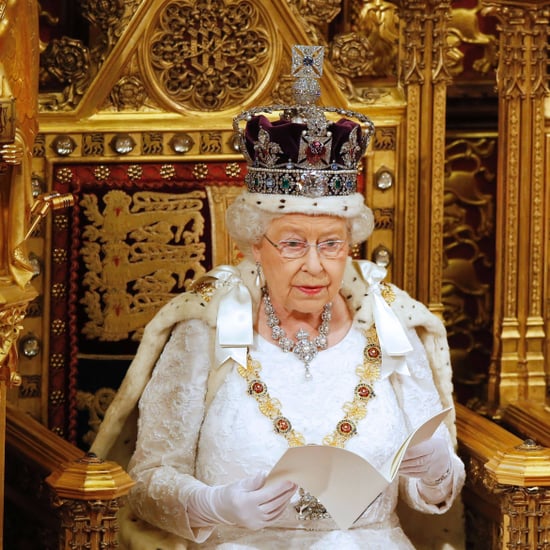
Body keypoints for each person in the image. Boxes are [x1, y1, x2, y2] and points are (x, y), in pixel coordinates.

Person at [90, 45, 465, 549]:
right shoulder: (205, 328)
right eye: (292, 243)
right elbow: (149, 478)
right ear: (253, 245)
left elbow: (433, 493)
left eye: (331, 244)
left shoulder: (389, 324)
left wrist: (439, 468)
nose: (315, 264)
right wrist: (212, 505)